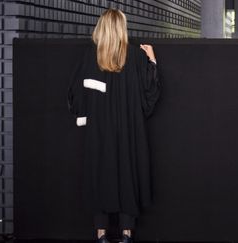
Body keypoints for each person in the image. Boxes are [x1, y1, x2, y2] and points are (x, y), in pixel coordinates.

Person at [67, 8, 161, 243]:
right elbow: (150, 95)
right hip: (129, 129)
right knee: (127, 173)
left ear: (101, 27)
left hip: (98, 130)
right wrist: (152, 60)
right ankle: (127, 233)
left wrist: (88, 111)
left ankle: (101, 234)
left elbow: (75, 95)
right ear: (122, 28)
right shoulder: (137, 57)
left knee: (99, 172)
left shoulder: (90, 56)